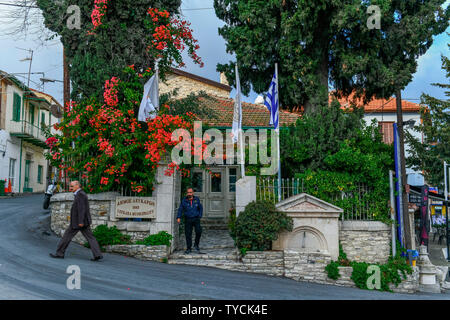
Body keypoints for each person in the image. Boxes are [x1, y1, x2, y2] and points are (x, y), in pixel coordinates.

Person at [49, 181, 103, 261]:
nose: (70, 188)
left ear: (77, 186)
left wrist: (80, 221)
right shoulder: (81, 194)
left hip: (78, 222)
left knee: (66, 237)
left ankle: (59, 253)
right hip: (83, 221)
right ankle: (97, 254)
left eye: (72, 186)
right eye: (70, 186)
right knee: (90, 238)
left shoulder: (80, 195)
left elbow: (81, 209)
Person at [177, 187, 203, 254]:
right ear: (187, 193)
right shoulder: (184, 200)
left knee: (198, 231)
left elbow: (200, 208)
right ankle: (189, 248)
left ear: (193, 193)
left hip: (196, 218)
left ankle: (196, 244)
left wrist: (200, 215)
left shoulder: (196, 199)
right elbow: (180, 209)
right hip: (188, 219)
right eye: (188, 192)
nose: (189, 194)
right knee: (188, 234)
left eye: (190, 192)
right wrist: (178, 217)